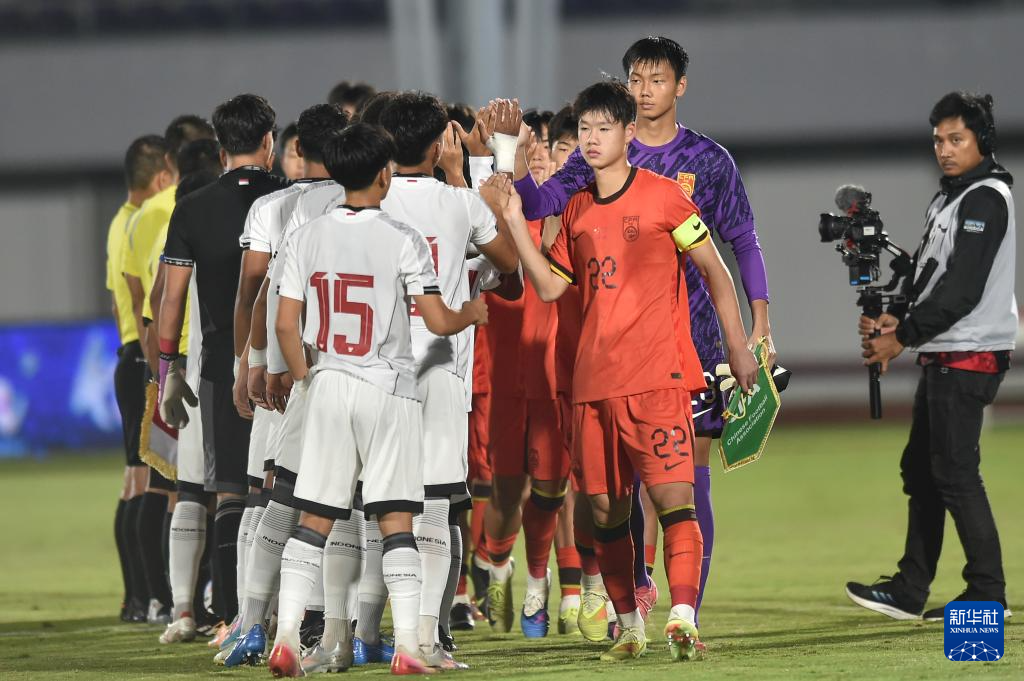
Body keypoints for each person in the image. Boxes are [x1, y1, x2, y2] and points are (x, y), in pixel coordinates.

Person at [509, 36, 774, 631]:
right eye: (636, 79)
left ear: (680, 86)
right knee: (614, 491)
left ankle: (684, 607)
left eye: (657, 79)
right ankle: (636, 588)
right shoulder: (593, 159)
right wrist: (514, 170)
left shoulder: (707, 162)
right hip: (605, 350)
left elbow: (740, 243)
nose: (645, 89)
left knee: (684, 482)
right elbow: (544, 204)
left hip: (689, 342)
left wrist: (754, 327)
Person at [266, 123, 488, 677]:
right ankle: (410, 646)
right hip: (388, 389)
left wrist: (306, 378)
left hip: (328, 384)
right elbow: (437, 320)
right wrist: (471, 312)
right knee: (396, 521)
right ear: (384, 174)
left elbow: (286, 325)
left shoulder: (306, 236)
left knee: (314, 520)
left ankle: (288, 635)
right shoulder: (401, 237)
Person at [847, 92, 1015, 622]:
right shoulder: (949, 199)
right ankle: (910, 589)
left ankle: (987, 592)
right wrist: (895, 317)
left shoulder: (985, 199)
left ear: (982, 140)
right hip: (949, 349)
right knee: (923, 470)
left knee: (954, 472)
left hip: (969, 352)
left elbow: (962, 290)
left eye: (956, 139)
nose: (944, 149)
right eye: (939, 139)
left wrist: (902, 336)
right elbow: (929, 276)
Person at [378, 91, 519, 663]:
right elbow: (509, 264)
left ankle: (355, 632)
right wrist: (478, 169)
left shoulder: (364, 202)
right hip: (441, 370)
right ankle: (425, 639)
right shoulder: (459, 204)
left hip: (375, 372)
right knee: (438, 507)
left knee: (375, 510)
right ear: (439, 145)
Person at [221, 102, 350, 668]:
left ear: (297, 148)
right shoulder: (367, 204)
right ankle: (342, 628)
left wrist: (252, 364)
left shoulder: (274, 208)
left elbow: (258, 292)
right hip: (349, 369)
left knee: (275, 494)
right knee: (350, 507)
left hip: (288, 368)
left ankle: (252, 623)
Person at [158, 94, 288, 641]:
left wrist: (168, 368)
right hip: (286, 364)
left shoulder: (192, 208)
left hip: (220, 365)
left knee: (231, 492)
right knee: (285, 491)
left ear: (219, 148)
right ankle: (286, 613)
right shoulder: (289, 198)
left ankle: (233, 619)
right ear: (269, 142)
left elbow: (171, 297)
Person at [107, 134, 170, 623]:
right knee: (150, 480)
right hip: (144, 355)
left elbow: (119, 301)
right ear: (163, 175)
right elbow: (137, 298)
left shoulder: (120, 223)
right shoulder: (149, 218)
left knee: (137, 478)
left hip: (130, 353)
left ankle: (137, 598)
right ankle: (148, 596)